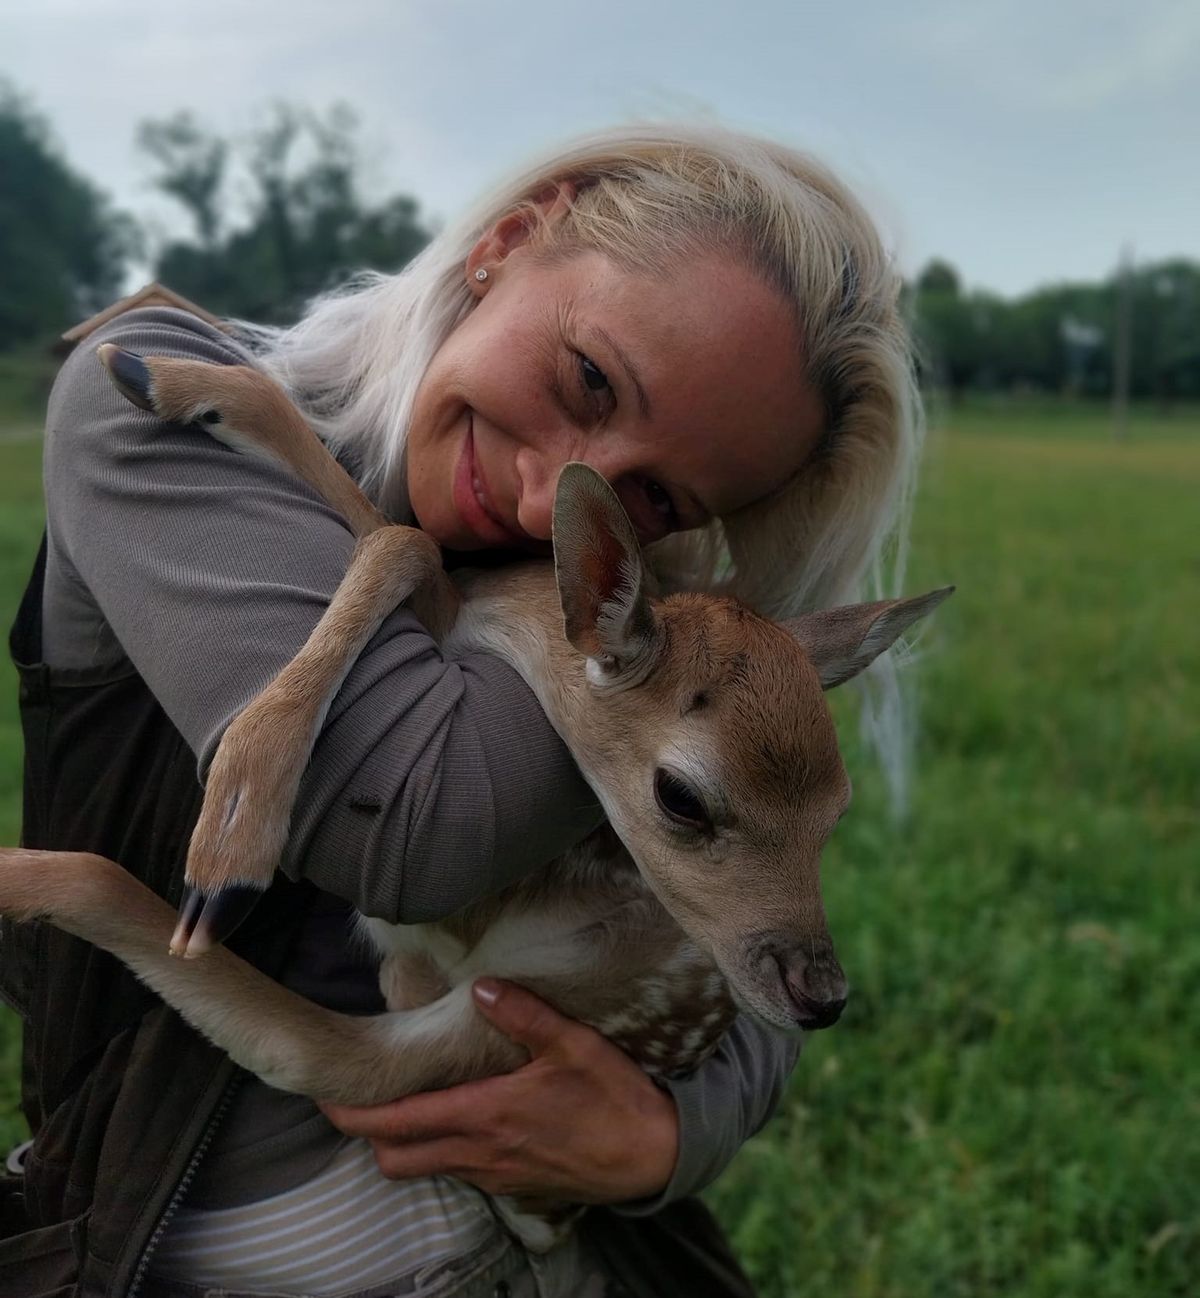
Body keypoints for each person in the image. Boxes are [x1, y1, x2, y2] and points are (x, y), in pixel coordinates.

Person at [0, 123, 921, 1298]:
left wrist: (663, 1136)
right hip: (180, 1228)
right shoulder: (156, 406)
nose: (549, 499)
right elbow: (413, 828)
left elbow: (739, 982)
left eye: (652, 494)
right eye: (589, 377)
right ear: (510, 238)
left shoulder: (643, 622)